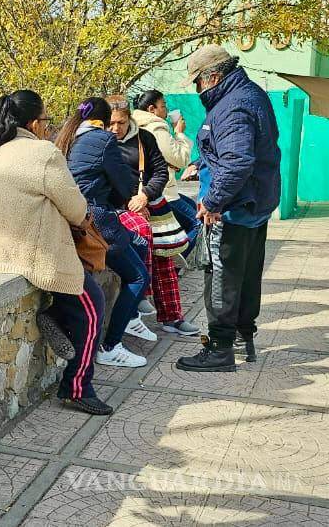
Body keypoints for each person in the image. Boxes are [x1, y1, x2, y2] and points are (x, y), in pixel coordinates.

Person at [0, 90, 112, 416]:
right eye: (47, 121)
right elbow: (76, 210)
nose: (49, 127)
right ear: (34, 123)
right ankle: (77, 387)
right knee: (93, 308)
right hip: (36, 256)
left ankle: (57, 315)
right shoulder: (43, 154)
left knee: (76, 300)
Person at [176, 46, 281, 372]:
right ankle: (243, 338)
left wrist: (211, 201)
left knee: (221, 277)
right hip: (254, 203)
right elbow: (232, 150)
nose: (197, 90)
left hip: (233, 207)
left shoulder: (232, 107)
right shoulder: (250, 94)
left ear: (214, 77)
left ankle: (220, 349)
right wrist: (200, 162)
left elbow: (237, 162)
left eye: (197, 83)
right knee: (247, 274)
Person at [55, 97, 150, 368]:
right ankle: (111, 346)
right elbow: (124, 183)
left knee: (139, 243)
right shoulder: (102, 140)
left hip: (72, 220)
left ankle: (131, 316)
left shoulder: (65, 136)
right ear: (104, 121)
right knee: (138, 277)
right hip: (97, 223)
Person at [108, 97, 200, 338]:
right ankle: (142, 296)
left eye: (121, 122)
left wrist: (145, 196)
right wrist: (132, 202)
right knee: (141, 234)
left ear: (129, 119)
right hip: (121, 207)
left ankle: (172, 317)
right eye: (111, 123)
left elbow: (160, 172)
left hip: (149, 203)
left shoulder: (144, 139)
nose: (116, 128)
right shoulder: (102, 142)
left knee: (165, 260)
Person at [131, 89, 202, 253]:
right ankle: (176, 262)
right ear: (151, 109)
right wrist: (179, 133)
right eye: (163, 106)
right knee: (198, 222)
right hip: (163, 192)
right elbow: (181, 159)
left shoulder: (136, 127)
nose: (167, 110)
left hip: (148, 190)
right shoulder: (156, 129)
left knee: (192, 206)